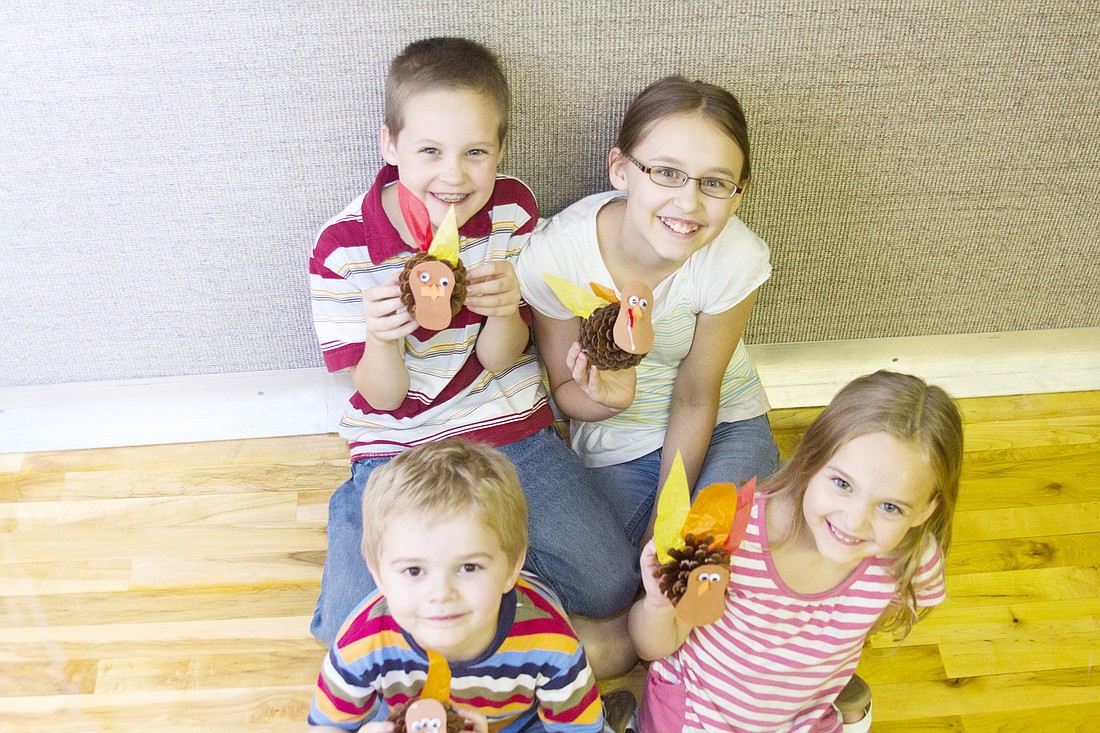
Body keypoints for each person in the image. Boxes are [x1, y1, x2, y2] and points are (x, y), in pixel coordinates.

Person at [308, 36, 638, 661]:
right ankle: (468, 620)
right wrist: (382, 336)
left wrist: (506, 311)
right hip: (397, 444)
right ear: (390, 146)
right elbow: (380, 395)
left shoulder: (512, 211)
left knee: (611, 583)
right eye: (429, 151)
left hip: (502, 421)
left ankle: (494, 614)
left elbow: (500, 358)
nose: (453, 176)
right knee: (349, 633)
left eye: (475, 153)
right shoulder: (344, 248)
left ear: (500, 151)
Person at [516, 75, 779, 552]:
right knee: (609, 578)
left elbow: (698, 396)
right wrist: (610, 401)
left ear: (739, 193)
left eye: (714, 183)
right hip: (618, 436)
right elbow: (565, 391)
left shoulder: (735, 257)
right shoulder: (556, 257)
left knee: (699, 553)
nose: (688, 201)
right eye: (666, 172)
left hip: (724, 423)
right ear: (620, 168)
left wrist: (668, 513)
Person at [628, 370, 964, 733]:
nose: (854, 522)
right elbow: (655, 647)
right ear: (811, 459)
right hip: (694, 718)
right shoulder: (728, 535)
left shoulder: (912, 560)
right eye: (842, 483)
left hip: (800, 719)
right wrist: (659, 607)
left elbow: (882, 616)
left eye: (890, 507)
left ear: (927, 510)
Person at [308, 440, 604, 732]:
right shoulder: (362, 641)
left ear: (512, 567)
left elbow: (578, 729)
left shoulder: (551, 641)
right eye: (414, 570)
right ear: (378, 574)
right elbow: (326, 726)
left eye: (468, 567)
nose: (441, 594)